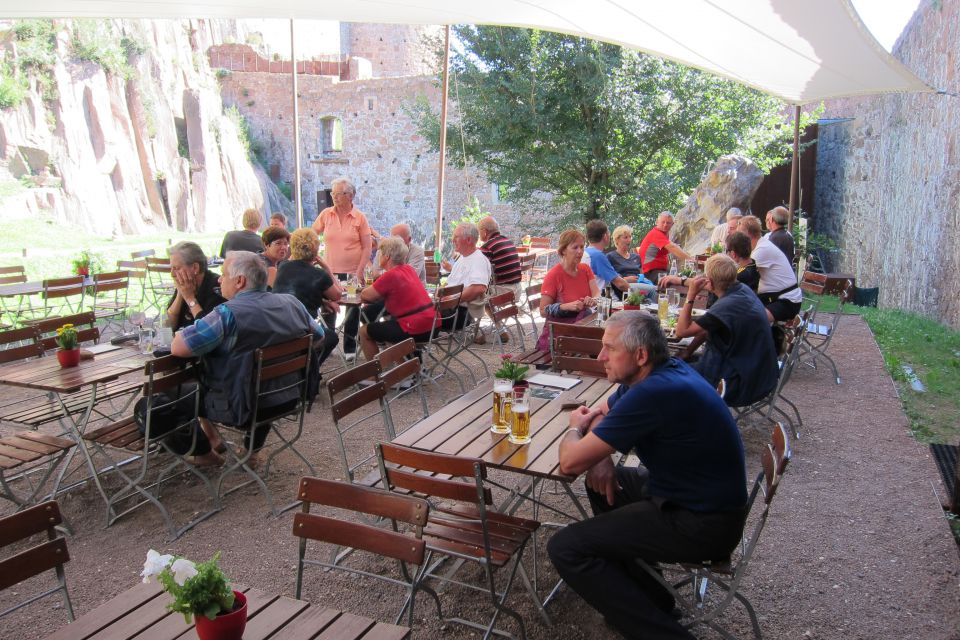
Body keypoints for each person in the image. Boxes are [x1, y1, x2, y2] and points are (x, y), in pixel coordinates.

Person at [547, 311, 747, 639]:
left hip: (702, 522)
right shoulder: (658, 374)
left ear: (640, 355)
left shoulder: (654, 393)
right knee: (604, 484)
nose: (600, 357)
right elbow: (601, 412)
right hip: (693, 498)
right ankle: (653, 599)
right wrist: (601, 459)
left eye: (610, 348)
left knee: (566, 548)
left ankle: (661, 632)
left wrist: (574, 430)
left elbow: (569, 461)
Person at [171, 251, 326, 466]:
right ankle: (250, 451)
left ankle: (203, 452)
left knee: (159, 401)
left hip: (240, 404)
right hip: (288, 396)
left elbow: (178, 347)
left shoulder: (226, 314)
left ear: (240, 281)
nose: (219, 279)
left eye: (224, 274)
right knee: (260, 380)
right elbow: (319, 336)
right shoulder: (292, 303)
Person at [674, 254, 778, 406]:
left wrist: (691, 294)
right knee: (677, 363)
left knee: (664, 375)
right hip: (760, 374)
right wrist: (688, 351)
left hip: (738, 384)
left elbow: (681, 331)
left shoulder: (727, 306)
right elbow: (708, 329)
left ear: (709, 282)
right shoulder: (742, 291)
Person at [311, 177, 372, 358]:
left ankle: (350, 349)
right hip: (329, 271)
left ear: (350, 195)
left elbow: (367, 247)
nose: (334, 197)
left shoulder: (360, 218)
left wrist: (359, 271)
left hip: (352, 271)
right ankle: (326, 342)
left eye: (339, 194)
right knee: (328, 308)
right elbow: (312, 235)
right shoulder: (326, 214)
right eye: (333, 193)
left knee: (352, 310)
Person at [357, 237, 438, 361]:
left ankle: (374, 375)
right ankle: (408, 370)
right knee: (390, 327)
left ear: (387, 256)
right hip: (433, 325)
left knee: (363, 331)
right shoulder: (409, 269)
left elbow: (365, 296)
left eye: (380, 253)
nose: (378, 256)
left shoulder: (390, 275)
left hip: (414, 327)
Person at [272, 228, 341, 368]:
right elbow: (337, 295)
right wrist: (327, 269)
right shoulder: (319, 275)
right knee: (332, 337)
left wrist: (322, 300)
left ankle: (305, 367)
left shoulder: (283, 267)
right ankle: (310, 369)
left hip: (278, 325)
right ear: (315, 249)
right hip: (301, 330)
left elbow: (298, 289)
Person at [536, 228, 599, 351]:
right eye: (575, 247)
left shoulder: (585, 269)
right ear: (563, 250)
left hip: (581, 328)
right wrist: (566, 306)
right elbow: (543, 311)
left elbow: (597, 293)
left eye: (582, 247)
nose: (580, 252)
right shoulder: (554, 275)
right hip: (561, 335)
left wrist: (593, 300)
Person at [658, 231, 758, 307]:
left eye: (726, 251)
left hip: (720, 314)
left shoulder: (739, 275)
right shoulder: (752, 266)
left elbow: (705, 283)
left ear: (733, 254)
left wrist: (677, 279)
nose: (725, 253)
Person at [738, 215, 801, 323]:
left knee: (748, 321)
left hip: (786, 301)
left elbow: (742, 272)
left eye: (738, 235)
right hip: (775, 298)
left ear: (747, 235)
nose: (737, 239)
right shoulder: (761, 245)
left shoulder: (762, 249)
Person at [440, 223, 491, 331]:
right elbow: (451, 282)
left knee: (415, 317)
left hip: (460, 313)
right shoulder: (462, 258)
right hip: (450, 309)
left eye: (456, 237)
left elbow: (479, 288)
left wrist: (450, 300)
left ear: (468, 240)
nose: (453, 240)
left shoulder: (478, 260)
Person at [166, 241, 225, 331]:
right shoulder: (186, 285)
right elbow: (168, 327)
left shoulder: (217, 287)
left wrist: (190, 298)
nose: (172, 274)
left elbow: (208, 331)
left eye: (177, 268)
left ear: (195, 268)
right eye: (171, 268)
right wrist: (180, 294)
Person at [638, 211, 693, 284]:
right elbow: (673, 247)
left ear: (672, 224)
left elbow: (674, 246)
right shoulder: (656, 234)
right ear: (657, 222)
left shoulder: (663, 235)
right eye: (663, 222)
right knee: (681, 281)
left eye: (668, 223)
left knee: (683, 277)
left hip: (659, 271)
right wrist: (691, 260)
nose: (665, 225)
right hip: (652, 273)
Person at [584, 219, 633, 295]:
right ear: (605, 236)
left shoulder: (584, 252)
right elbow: (620, 284)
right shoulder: (598, 256)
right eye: (608, 233)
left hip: (591, 299)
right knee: (651, 291)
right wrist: (638, 295)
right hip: (603, 301)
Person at [478, 215, 522, 298]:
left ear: (484, 232)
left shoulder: (488, 247)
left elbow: (476, 269)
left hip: (503, 291)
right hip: (518, 289)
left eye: (479, 230)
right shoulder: (508, 241)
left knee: (473, 298)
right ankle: (491, 311)